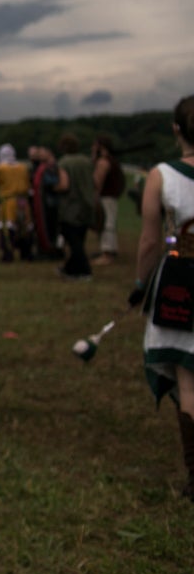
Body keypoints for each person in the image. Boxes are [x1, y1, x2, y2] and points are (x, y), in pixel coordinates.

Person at [131, 95, 194, 501]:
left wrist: (140, 283)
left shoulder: (161, 175)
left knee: (189, 380)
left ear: (176, 130)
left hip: (183, 280)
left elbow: (150, 240)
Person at [54, 133, 95, 280]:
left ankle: (84, 271)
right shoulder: (86, 161)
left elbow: (64, 185)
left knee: (73, 242)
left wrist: (52, 188)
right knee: (80, 239)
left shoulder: (64, 162)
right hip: (88, 205)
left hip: (71, 207)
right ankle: (70, 269)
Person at [0, 143, 32, 262]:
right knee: (24, 227)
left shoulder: (1, 168)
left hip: (8, 201)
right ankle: (26, 252)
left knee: (7, 228)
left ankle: (8, 254)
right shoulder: (23, 167)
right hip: (23, 200)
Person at [92, 134, 125, 265]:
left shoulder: (103, 162)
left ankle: (107, 253)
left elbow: (96, 182)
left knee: (107, 224)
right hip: (110, 197)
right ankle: (110, 249)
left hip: (106, 197)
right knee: (109, 223)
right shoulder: (110, 160)